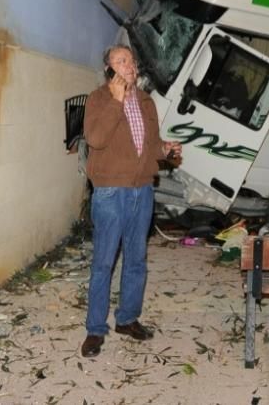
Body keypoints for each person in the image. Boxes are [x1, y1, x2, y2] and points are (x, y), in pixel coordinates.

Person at [80, 45, 182, 358]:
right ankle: (96, 329)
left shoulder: (147, 101)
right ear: (109, 70)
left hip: (142, 190)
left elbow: (149, 146)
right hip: (111, 191)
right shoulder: (98, 99)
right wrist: (116, 99)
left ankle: (127, 319)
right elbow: (96, 139)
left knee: (136, 260)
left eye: (131, 60)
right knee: (104, 263)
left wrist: (165, 151)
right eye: (121, 61)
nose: (129, 65)